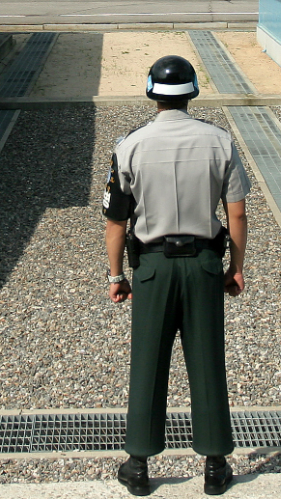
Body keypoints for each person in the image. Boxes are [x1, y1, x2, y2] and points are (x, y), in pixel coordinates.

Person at [103, 55, 249, 497]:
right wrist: (236, 268)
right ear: (192, 92)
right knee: (207, 360)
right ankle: (215, 465)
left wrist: (115, 275)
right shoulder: (220, 141)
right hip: (204, 265)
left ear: (151, 91)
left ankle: (138, 464)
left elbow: (115, 221)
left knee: (148, 360)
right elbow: (237, 212)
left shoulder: (129, 145)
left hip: (152, 268)